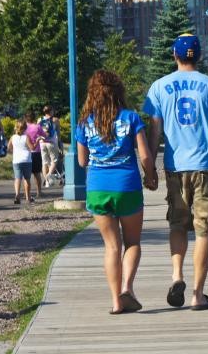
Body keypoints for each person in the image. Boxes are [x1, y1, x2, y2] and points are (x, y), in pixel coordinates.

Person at [143, 33, 208, 311]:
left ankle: (176, 275)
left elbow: (155, 132)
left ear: (174, 55)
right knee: (204, 231)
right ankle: (197, 295)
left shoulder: (159, 87)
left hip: (175, 167)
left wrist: (150, 168)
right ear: (198, 56)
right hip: (206, 167)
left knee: (176, 224)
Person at [78, 70, 157, 315]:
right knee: (132, 243)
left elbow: (82, 161)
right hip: (127, 186)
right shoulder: (131, 118)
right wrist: (151, 175)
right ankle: (127, 288)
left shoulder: (84, 123)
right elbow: (144, 155)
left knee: (112, 246)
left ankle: (115, 301)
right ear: (118, 91)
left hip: (98, 189)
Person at [8, 119, 35, 204]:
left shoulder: (13, 137)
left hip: (16, 160)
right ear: (25, 128)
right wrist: (37, 141)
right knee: (27, 179)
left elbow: (9, 147)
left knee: (17, 178)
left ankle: (17, 195)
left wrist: (14, 151)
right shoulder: (26, 137)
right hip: (26, 159)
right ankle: (28, 197)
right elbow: (32, 148)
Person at [39, 106, 63, 187]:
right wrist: (60, 146)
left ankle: (46, 182)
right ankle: (49, 175)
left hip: (42, 142)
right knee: (54, 161)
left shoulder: (40, 119)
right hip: (51, 143)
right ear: (51, 111)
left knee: (44, 162)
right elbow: (58, 135)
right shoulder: (55, 120)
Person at [24, 113, 46, 198]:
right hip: (36, 151)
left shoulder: (23, 127)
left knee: (26, 175)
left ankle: (27, 194)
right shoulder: (37, 127)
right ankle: (38, 192)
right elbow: (44, 136)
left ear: (25, 118)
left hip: (26, 152)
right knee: (37, 174)